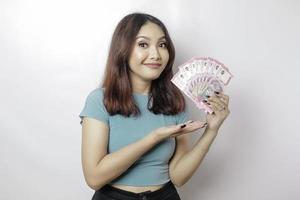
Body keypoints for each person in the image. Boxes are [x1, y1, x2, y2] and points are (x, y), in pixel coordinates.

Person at [79, 12, 230, 200]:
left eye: (162, 44)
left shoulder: (174, 102)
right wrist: (153, 138)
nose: (156, 54)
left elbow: (178, 177)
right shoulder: (100, 100)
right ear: (123, 49)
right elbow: (94, 178)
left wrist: (212, 131)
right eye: (143, 44)